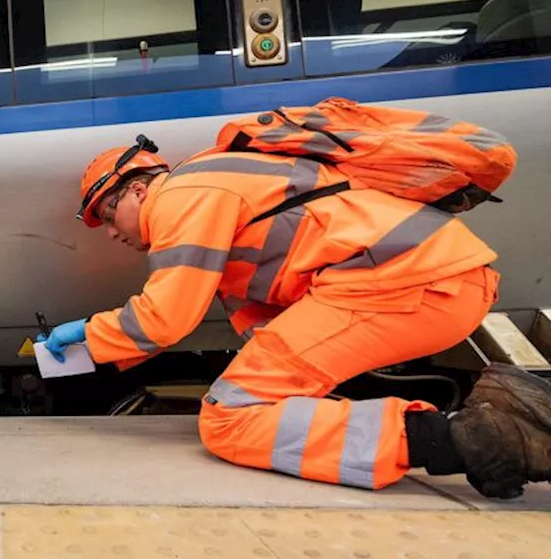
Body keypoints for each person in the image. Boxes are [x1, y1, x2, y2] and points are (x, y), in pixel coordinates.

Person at [39, 134, 551, 499]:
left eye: (107, 214)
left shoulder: (184, 195)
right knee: (253, 398)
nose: (110, 233)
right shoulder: (217, 188)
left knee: (229, 419)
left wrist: (88, 336)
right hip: (424, 280)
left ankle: (477, 437)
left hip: (402, 282)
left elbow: (164, 319)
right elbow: (264, 328)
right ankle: (494, 425)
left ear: (138, 188)